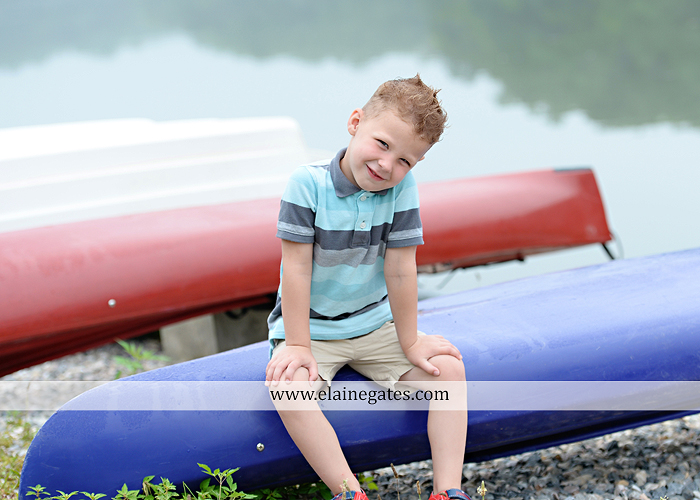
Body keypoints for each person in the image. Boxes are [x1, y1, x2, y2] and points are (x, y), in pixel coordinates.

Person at [265, 75, 469, 500]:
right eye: (382, 144)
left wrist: (411, 341)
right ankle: (350, 492)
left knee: (449, 371)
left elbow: (400, 269)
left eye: (405, 161)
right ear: (355, 122)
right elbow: (296, 270)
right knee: (287, 388)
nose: (387, 166)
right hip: (313, 332)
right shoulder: (308, 184)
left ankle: (447, 491)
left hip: (374, 326)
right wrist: (297, 345)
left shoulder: (401, 189)